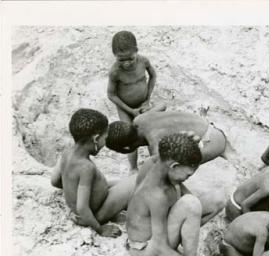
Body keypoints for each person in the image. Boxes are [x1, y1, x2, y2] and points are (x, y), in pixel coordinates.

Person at [125, 133, 219, 256]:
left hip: (147, 239)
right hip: (145, 254)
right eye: (187, 174)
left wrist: (190, 143)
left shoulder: (154, 163)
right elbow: (160, 248)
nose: (187, 178)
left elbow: (173, 145)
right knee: (191, 204)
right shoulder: (157, 195)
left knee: (217, 199)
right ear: (174, 166)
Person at [50, 108, 136, 238]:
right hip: (96, 214)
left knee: (121, 182)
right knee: (136, 180)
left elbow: (54, 181)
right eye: (104, 138)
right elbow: (82, 207)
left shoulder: (66, 153)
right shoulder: (86, 168)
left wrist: (71, 187)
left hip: (93, 204)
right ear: (96, 139)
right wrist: (100, 229)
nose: (105, 142)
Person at [105, 107, 229, 169]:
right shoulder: (139, 119)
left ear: (127, 148)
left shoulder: (155, 143)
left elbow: (165, 174)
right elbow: (162, 106)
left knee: (175, 169)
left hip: (212, 140)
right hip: (206, 123)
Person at [107, 30, 157, 172]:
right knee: (128, 136)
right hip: (125, 108)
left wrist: (147, 100)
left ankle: (155, 163)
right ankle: (133, 168)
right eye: (121, 59)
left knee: (149, 132)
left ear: (136, 51)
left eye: (130, 58)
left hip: (143, 105)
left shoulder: (144, 61)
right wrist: (130, 111)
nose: (127, 63)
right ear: (115, 56)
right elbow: (111, 95)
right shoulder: (115, 72)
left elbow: (153, 76)